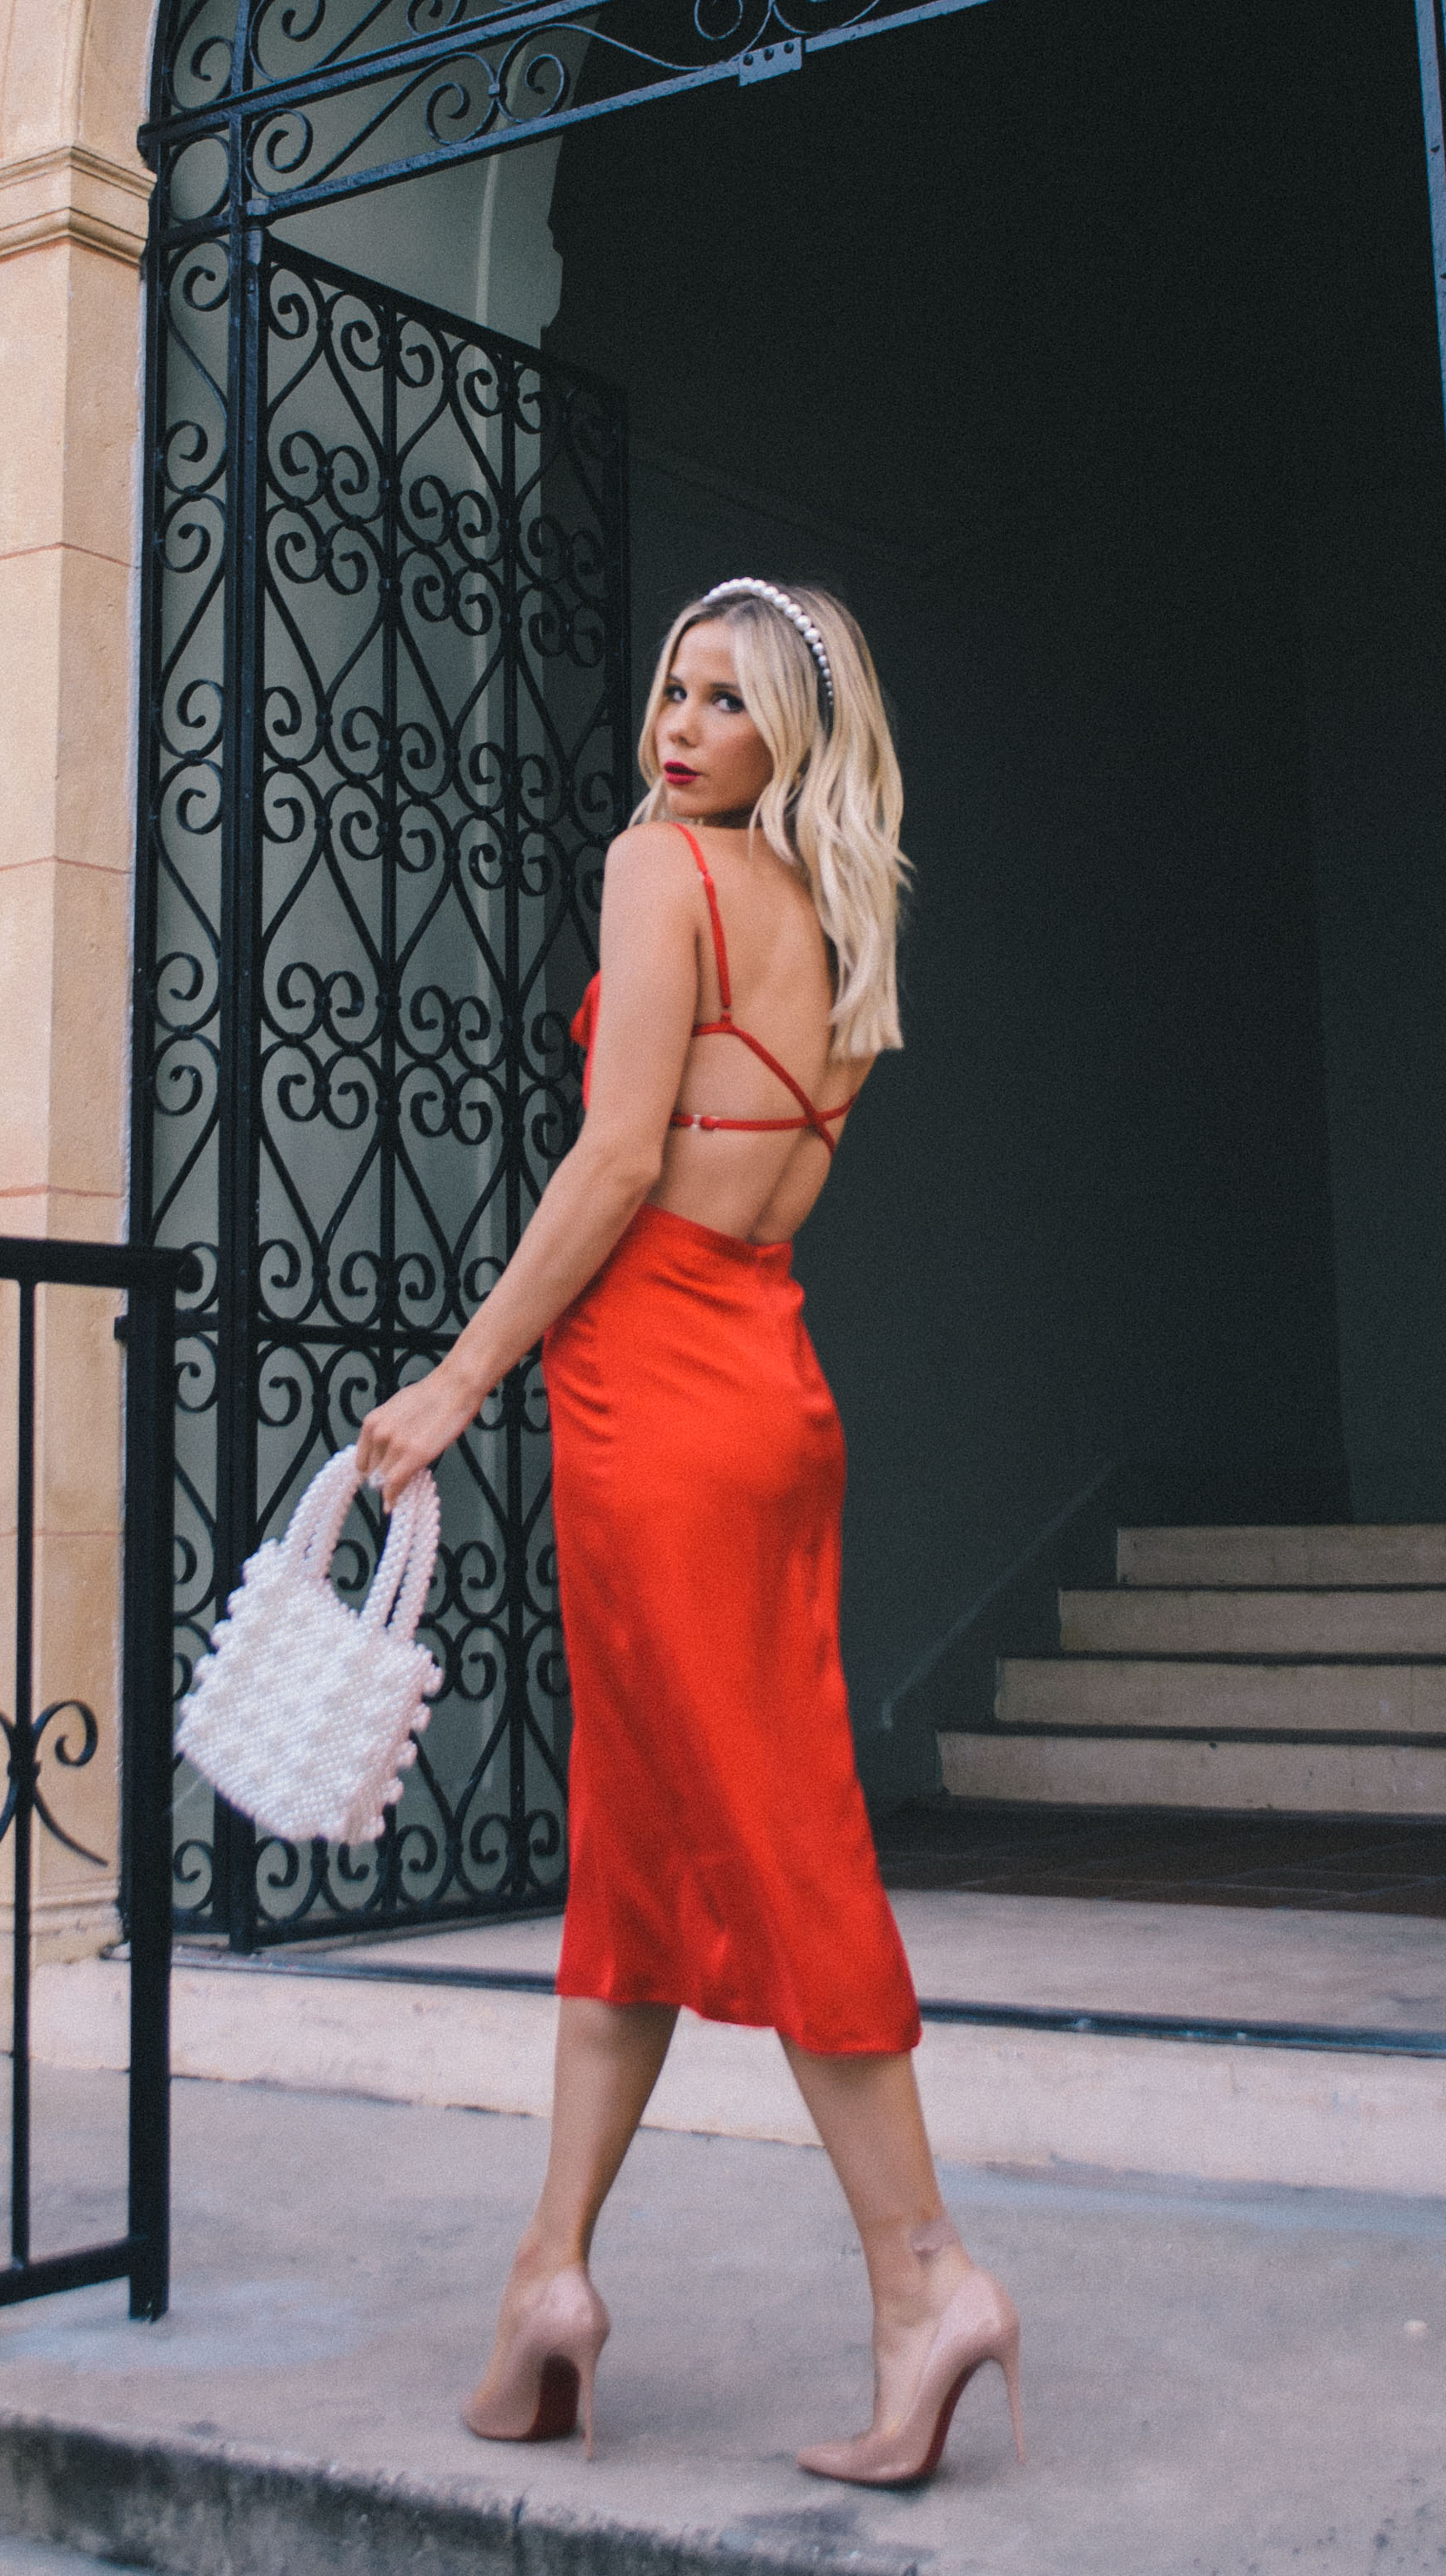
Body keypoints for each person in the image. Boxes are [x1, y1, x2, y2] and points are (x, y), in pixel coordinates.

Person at [355, 575, 1022, 2492]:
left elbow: (619, 1156)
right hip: (767, 1387)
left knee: (780, 1837)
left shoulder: (668, 872)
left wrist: (461, 1376)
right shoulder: (845, 920)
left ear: (786, 738)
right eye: (672, 688)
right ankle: (546, 2280)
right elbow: (744, 1172)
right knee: (641, 1856)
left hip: (656, 1396)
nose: (677, 727)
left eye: (725, 703)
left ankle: (927, 2277)